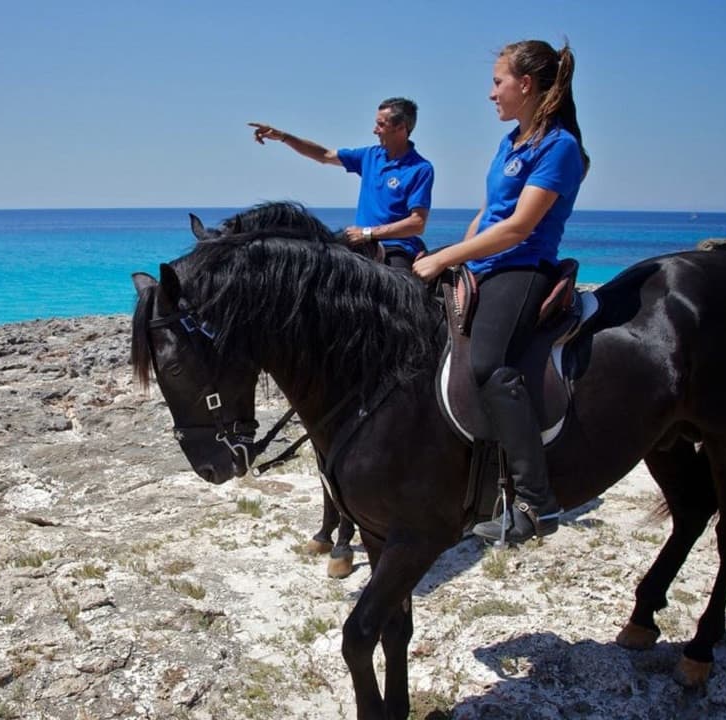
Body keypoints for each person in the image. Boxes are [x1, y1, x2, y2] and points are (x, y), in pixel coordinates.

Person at [413, 39, 590, 544]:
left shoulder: (559, 147)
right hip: (483, 261)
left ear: (526, 85)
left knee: (490, 364)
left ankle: (537, 501)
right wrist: (457, 256)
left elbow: (517, 227)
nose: (492, 93)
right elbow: (488, 212)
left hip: (523, 267)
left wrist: (444, 258)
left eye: (498, 82)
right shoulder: (511, 141)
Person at [248, 98, 434, 269]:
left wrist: (368, 233)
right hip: (360, 243)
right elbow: (324, 155)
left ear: (400, 127)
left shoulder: (420, 168)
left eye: (380, 124)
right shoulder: (370, 156)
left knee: (397, 294)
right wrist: (283, 137)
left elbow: (417, 223)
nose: (374, 130)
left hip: (396, 249)